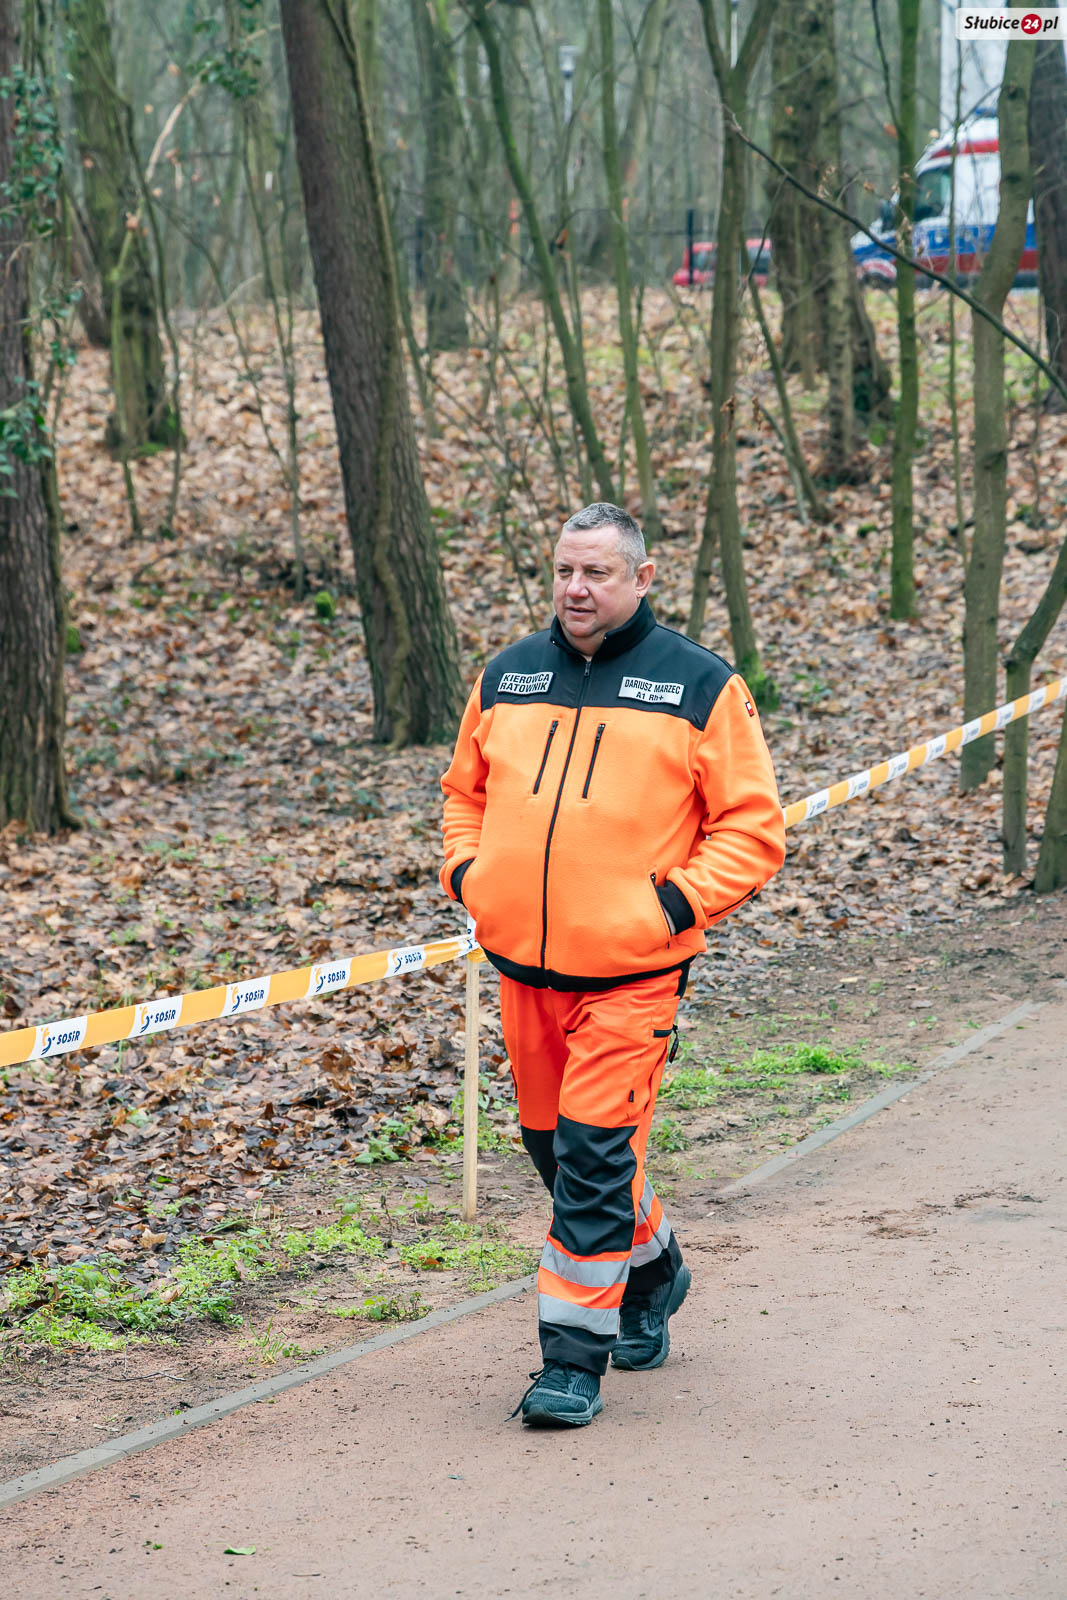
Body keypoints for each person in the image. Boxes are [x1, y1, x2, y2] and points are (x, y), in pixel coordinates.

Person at [439, 503, 785, 1428]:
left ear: (641, 577)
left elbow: (752, 830)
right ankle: (655, 1267)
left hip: (634, 977)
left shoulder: (700, 684)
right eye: (564, 570)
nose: (576, 588)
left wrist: (668, 908)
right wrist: (470, 876)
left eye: (595, 572)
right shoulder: (507, 674)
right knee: (558, 1154)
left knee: (592, 1157)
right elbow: (463, 796)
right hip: (523, 971)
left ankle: (570, 1364)